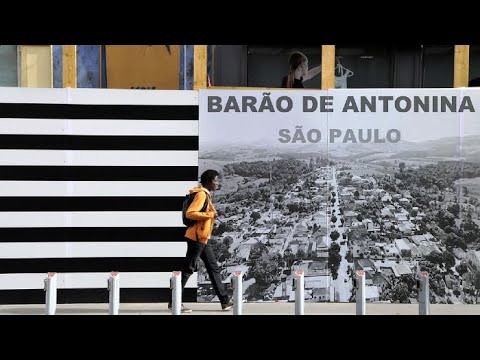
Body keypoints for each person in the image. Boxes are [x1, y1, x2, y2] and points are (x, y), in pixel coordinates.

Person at [169, 169, 233, 313]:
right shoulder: (201, 194)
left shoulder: (205, 195)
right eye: (216, 180)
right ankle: (174, 302)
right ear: (209, 181)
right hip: (197, 238)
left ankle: (225, 301)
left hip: (202, 238)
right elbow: (190, 213)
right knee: (188, 269)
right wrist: (210, 214)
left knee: (213, 268)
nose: (218, 183)